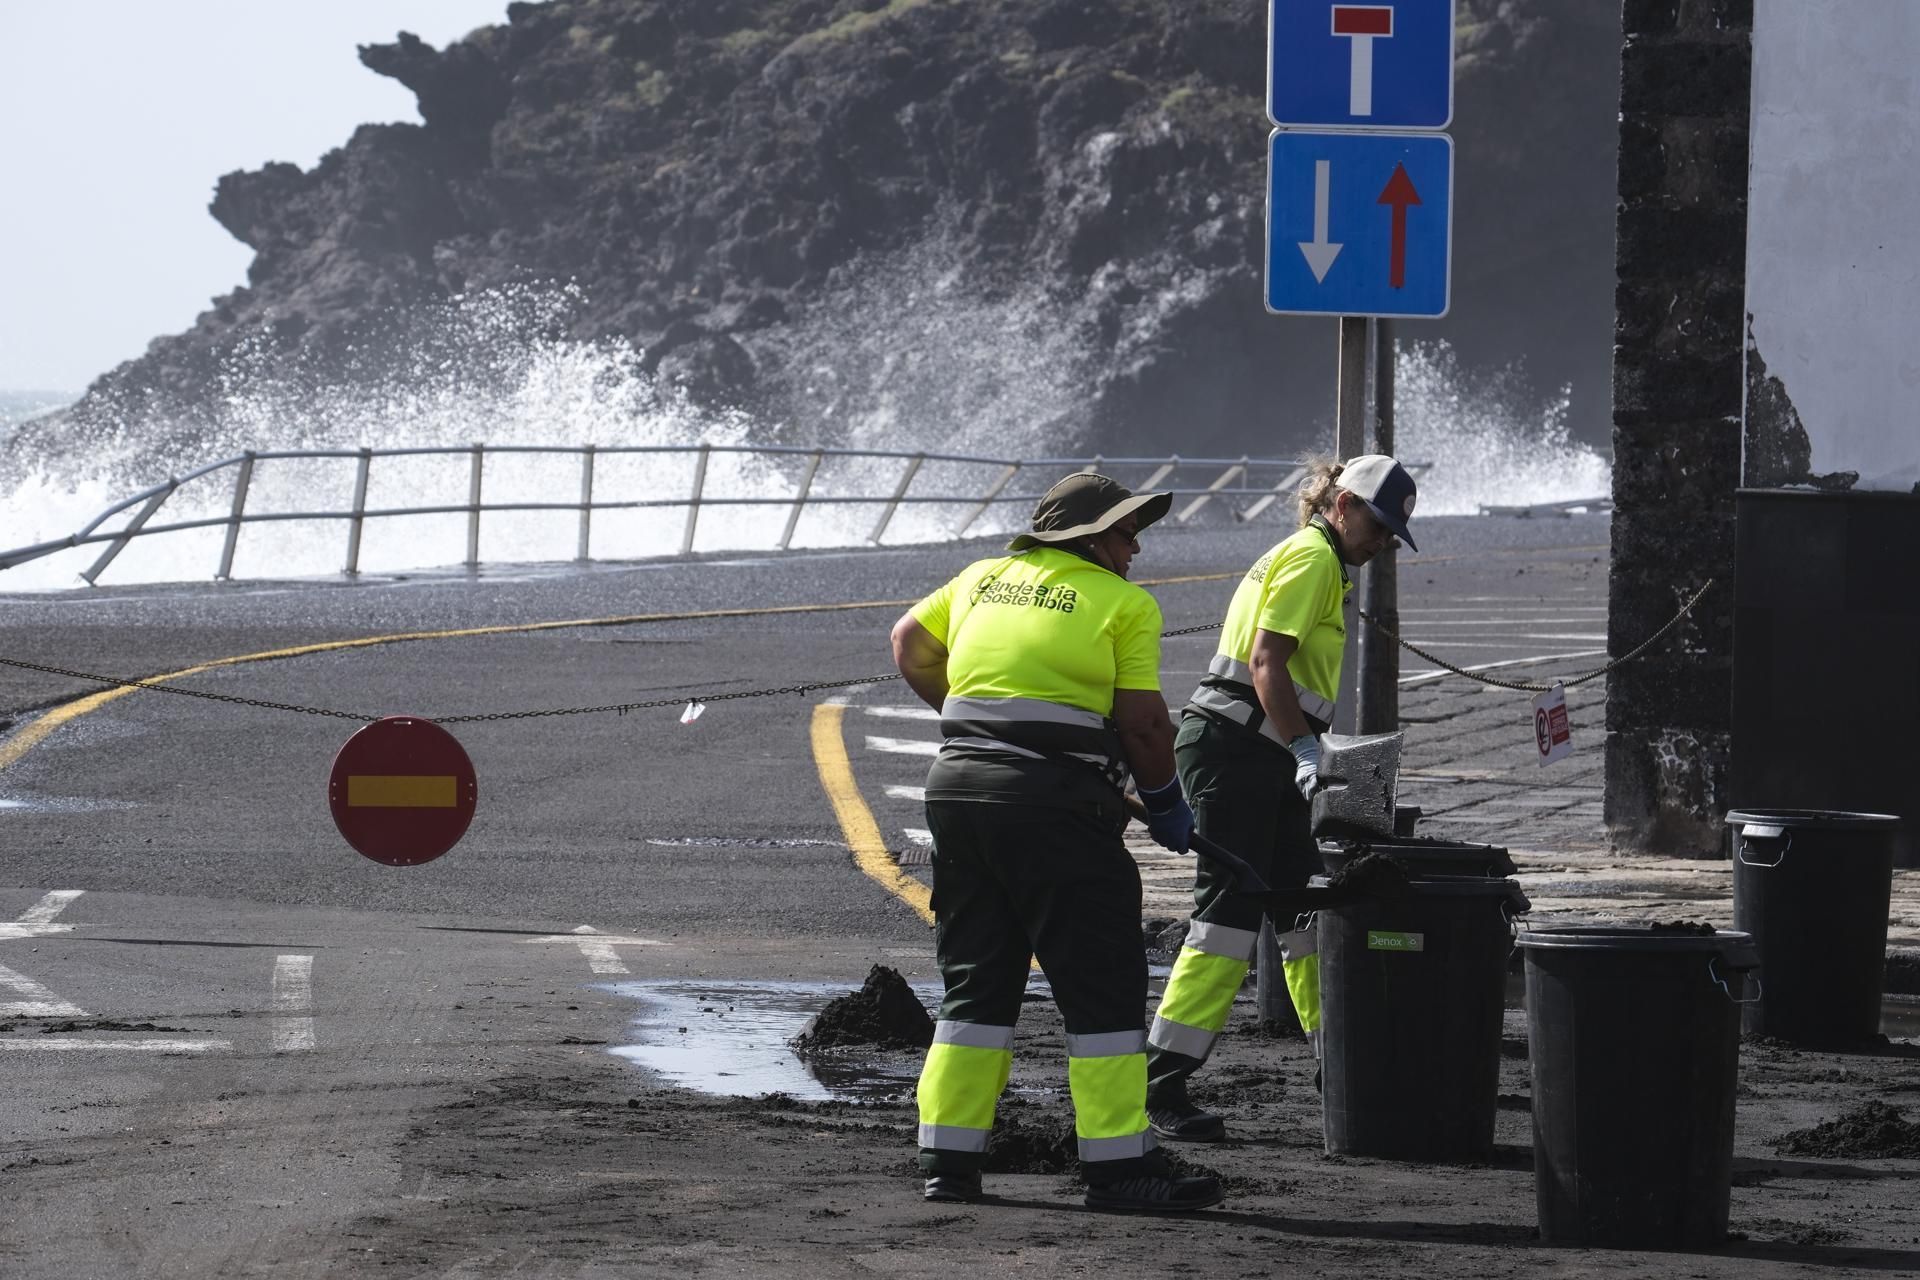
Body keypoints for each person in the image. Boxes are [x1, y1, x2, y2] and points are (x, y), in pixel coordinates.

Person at [890, 472, 1224, 1212]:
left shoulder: (981, 578)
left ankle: (950, 1161)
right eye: (1127, 533)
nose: (1136, 549)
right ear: (1091, 538)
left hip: (959, 794)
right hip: (1056, 811)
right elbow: (1144, 726)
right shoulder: (1124, 605)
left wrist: (981, 722)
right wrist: (1167, 805)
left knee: (977, 983)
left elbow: (908, 642)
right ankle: (1118, 1166)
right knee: (1101, 984)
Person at [1143, 455, 1419, 1142]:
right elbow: (1267, 664)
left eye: (1392, 534)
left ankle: (1337, 1057)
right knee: (1227, 915)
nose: (1382, 543)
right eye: (1379, 527)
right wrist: (1303, 750)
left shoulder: (1315, 558)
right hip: (1239, 751)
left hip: (1258, 751)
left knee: (1299, 907)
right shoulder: (1313, 559)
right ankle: (1160, 1080)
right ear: (1344, 505)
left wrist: (1297, 751)